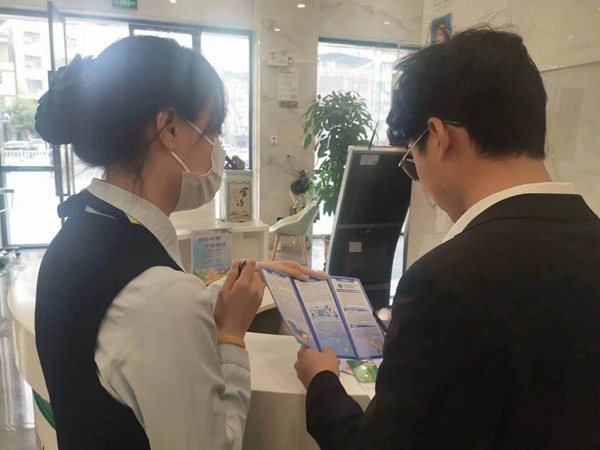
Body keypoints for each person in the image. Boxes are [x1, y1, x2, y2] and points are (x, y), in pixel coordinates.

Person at [294, 27, 600, 449]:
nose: (419, 179)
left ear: (439, 138)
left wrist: (322, 382)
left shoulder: (443, 282)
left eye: (412, 158)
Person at [34, 36, 323, 450]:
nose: (216, 151)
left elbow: (139, 328)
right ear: (169, 128)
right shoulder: (160, 296)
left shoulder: (76, 235)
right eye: (212, 131)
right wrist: (231, 337)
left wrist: (224, 292)